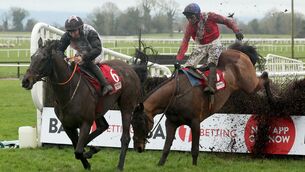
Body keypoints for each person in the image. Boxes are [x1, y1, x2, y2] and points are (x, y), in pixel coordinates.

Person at [176, 3, 244, 95]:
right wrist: (178, 58)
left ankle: (211, 86)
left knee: (212, 60)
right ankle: (187, 86)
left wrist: (236, 30)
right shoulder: (190, 26)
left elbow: (227, 20)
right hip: (201, 45)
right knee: (188, 65)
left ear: (197, 14)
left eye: (191, 17)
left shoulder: (210, 16)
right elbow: (185, 41)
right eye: (187, 18)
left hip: (214, 42)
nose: (189, 20)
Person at [58, 15, 113, 96]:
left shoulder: (90, 32)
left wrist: (83, 57)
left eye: (74, 31)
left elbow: (97, 49)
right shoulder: (67, 35)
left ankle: (106, 85)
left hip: (95, 51)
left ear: (80, 28)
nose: (72, 34)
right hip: (81, 51)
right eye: (70, 32)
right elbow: (59, 49)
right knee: (73, 63)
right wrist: (64, 58)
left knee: (86, 63)